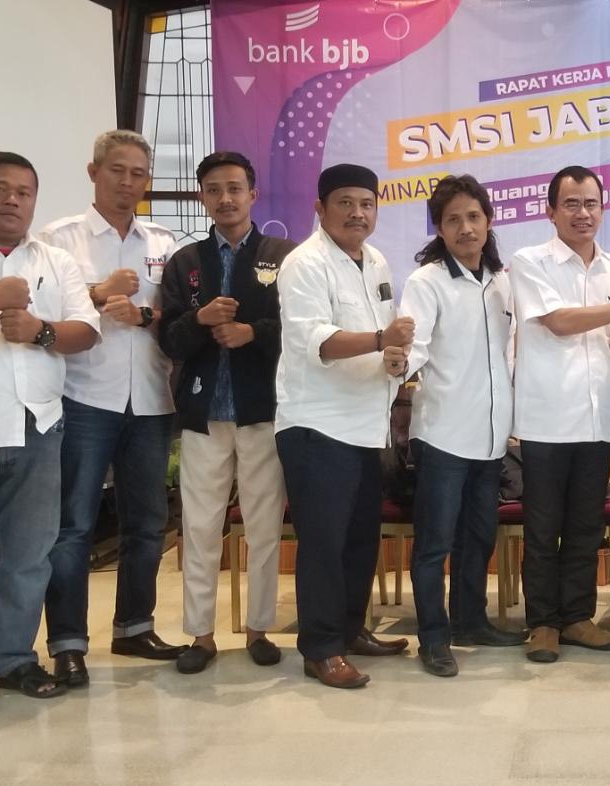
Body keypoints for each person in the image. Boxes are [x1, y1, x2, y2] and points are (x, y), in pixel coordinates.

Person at [0, 152, 99, 712]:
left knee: (30, 555)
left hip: (39, 424)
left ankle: (14, 661)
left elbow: (86, 331)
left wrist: (40, 330)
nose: (12, 199)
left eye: (24, 191)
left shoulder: (56, 260)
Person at [39, 130, 185, 685]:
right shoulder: (59, 240)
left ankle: (134, 628)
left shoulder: (164, 242)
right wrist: (99, 293)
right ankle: (68, 643)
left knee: (147, 522)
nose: (127, 182)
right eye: (117, 170)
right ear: (93, 172)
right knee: (74, 525)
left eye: (138, 174)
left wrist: (146, 315)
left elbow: (180, 318)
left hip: (150, 396)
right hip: (83, 396)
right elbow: (37, 313)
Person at [274, 163, 412, 689]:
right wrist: (381, 340)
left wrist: (393, 358)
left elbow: (383, 333)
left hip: (366, 423)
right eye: (345, 203)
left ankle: (352, 630)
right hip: (317, 424)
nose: (358, 213)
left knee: (359, 539)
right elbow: (318, 341)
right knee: (324, 543)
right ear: (320, 208)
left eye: (367, 204)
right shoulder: (304, 264)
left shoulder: (375, 260)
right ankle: (322, 648)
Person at [158, 152, 296, 674]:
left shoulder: (284, 256)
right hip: (203, 412)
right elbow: (169, 338)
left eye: (235, 188)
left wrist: (250, 333)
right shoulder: (186, 262)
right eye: (214, 189)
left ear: (253, 194)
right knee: (199, 526)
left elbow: (300, 329)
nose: (226, 198)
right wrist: (200, 318)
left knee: (263, 526)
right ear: (202, 197)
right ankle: (200, 635)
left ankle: (259, 628)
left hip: (263, 410)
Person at [509, 165, 610, 663]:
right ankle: (542, 623)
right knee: (542, 527)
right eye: (571, 204)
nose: (582, 213)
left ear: (603, 210)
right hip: (546, 418)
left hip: (596, 419)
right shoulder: (530, 261)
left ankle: (576, 618)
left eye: (591, 204)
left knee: (586, 527)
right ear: (550, 211)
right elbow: (559, 322)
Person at [400, 174, 525, 678]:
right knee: (435, 544)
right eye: (453, 219)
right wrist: (397, 361)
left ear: (489, 221)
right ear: (439, 227)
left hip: (490, 437)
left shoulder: (502, 281)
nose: (465, 228)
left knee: (479, 537)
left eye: (474, 217)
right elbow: (414, 347)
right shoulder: (427, 282)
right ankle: (434, 637)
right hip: (443, 434)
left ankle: (471, 621)